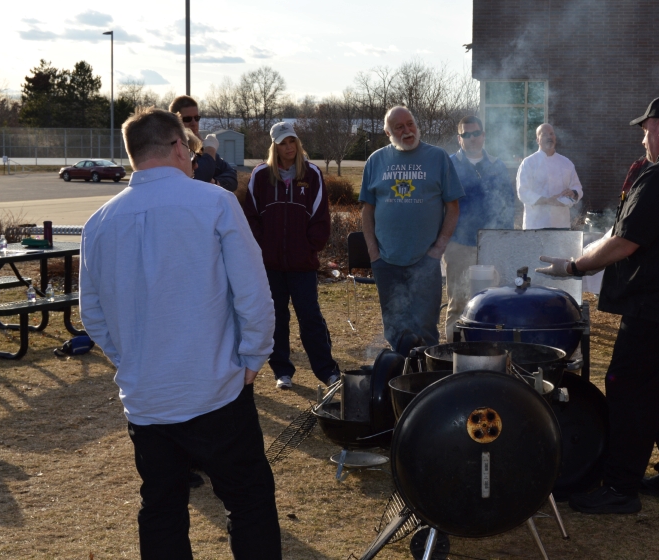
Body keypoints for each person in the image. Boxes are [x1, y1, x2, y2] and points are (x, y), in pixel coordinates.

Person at [79, 107, 281, 557]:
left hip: (148, 397)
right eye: (189, 149)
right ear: (176, 146)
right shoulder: (214, 202)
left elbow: (92, 314)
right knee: (248, 502)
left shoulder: (98, 224)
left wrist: (129, 358)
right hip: (216, 389)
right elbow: (253, 295)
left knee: (162, 509)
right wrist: (253, 359)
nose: (192, 157)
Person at [538, 96, 659, 514]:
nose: (642, 140)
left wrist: (575, 265)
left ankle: (620, 487)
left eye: (644, 130)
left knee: (629, 390)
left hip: (657, 308)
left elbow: (624, 241)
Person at [242, 121, 339, 390]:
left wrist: (310, 246)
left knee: (310, 317)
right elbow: (250, 218)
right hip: (270, 266)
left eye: (292, 142)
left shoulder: (312, 174)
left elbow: (321, 217)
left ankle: (327, 371)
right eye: (283, 143)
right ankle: (282, 371)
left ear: (298, 143)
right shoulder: (260, 176)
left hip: (302, 264)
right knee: (276, 318)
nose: (289, 148)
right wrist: (262, 248)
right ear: (275, 146)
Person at [359, 106, 464, 348]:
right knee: (396, 331)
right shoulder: (376, 161)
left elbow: (453, 207)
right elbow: (367, 211)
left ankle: (424, 381)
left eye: (410, 124)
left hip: (425, 261)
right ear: (387, 132)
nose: (407, 131)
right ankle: (400, 378)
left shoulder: (437, 158)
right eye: (399, 127)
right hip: (386, 261)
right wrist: (374, 253)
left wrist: (438, 249)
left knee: (426, 330)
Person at [443, 115, 515, 341]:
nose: (472, 138)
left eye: (476, 133)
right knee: (458, 302)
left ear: (483, 136)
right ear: (459, 138)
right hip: (458, 244)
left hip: (491, 245)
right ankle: (453, 355)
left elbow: (508, 204)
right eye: (466, 134)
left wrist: (504, 238)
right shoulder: (449, 165)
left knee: (490, 301)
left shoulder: (497, 166)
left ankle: (487, 352)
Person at [516, 123, 583, 229]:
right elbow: (523, 191)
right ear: (537, 140)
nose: (549, 137)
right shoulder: (528, 163)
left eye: (551, 134)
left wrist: (573, 192)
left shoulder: (566, 163)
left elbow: (578, 188)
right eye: (544, 134)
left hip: (561, 224)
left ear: (555, 138)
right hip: (535, 225)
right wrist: (546, 200)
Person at [169, 95, 238, 192]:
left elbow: (232, 176)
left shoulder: (201, 148)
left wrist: (215, 182)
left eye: (197, 118)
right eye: (188, 119)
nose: (194, 123)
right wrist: (210, 150)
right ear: (175, 121)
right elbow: (200, 176)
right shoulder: (173, 149)